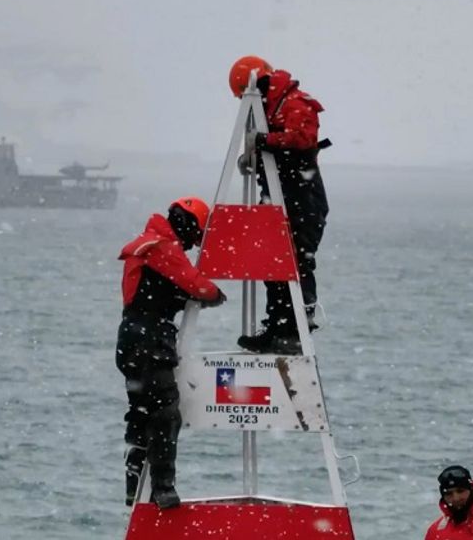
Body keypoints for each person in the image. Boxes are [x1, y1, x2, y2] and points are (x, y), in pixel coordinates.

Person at [117, 197, 226, 510]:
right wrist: (215, 295)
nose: (193, 245)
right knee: (165, 411)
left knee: (140, 413)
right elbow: (197, 285)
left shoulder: (148, 245)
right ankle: (163, 488)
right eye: (195, 237)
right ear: (188, 224)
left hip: (131, 338)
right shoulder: (163, 248)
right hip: (151, 340)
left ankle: (134, 482)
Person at [229, 55, 330, 355]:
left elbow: (300, 138)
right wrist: (254, 153)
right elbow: (279, 145)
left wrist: (263, 142)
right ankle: (277, 326)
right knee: (272, 262)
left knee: (297, 261)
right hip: (279, 198)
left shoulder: (297, 104)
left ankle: (296, 326)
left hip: (302, 199)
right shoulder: (273, 109)